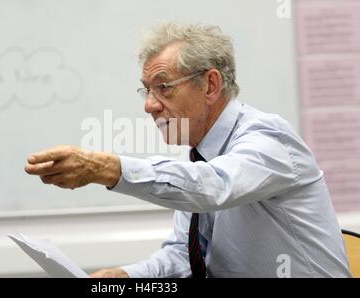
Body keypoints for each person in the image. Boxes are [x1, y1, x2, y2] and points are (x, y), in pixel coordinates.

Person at [24, 22, 351, 278]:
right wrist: (121, 276)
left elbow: (215, 187)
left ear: (210, 85)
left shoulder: (268, 138)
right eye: (146, 89)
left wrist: (105, 168)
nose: (149, 105)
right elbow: (185, 256)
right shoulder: (199, 155)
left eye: (163, 87)